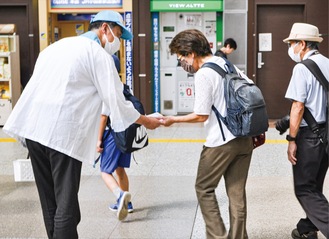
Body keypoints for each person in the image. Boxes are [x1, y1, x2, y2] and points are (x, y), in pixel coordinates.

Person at [2, 10, 162, 239]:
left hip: (33, 130)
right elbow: (117, 102)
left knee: (50, 202)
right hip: (62, 136)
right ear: (105, 28)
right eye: (117, 34)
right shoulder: (98, 54)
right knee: (67, 206)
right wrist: (146, 120)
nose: (118, 42)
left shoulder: (55, 48)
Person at [163, 29, 253, 239]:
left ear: (191, 53)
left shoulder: (204, 73)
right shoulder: (226, 64)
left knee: (203, 187)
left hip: (221, 142)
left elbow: (201, 115)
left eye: (181, 57)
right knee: (236, 193)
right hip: (244, 138)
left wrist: (172, 119)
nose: (182, 62)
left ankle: (217, 236)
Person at [81, 15, 134, 221]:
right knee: (120, 168)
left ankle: (120, 196)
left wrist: (98, 140)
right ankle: (128, 203)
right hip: (125, 133)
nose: (117, 40)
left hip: (112, 133)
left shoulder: (107, 86)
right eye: (118, 34)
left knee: (105, 170)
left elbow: (104, 115)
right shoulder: (119, 85)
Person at [283, 22, 329, 239]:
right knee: (314, 186)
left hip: (309, 137)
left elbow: (298, 106)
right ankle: (306, 229)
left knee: (304, 189)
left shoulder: (301, 68)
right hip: (326, 134)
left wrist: (292, 139)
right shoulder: (327, 63)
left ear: (302, 44)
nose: (291, 48)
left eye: (292, 43)